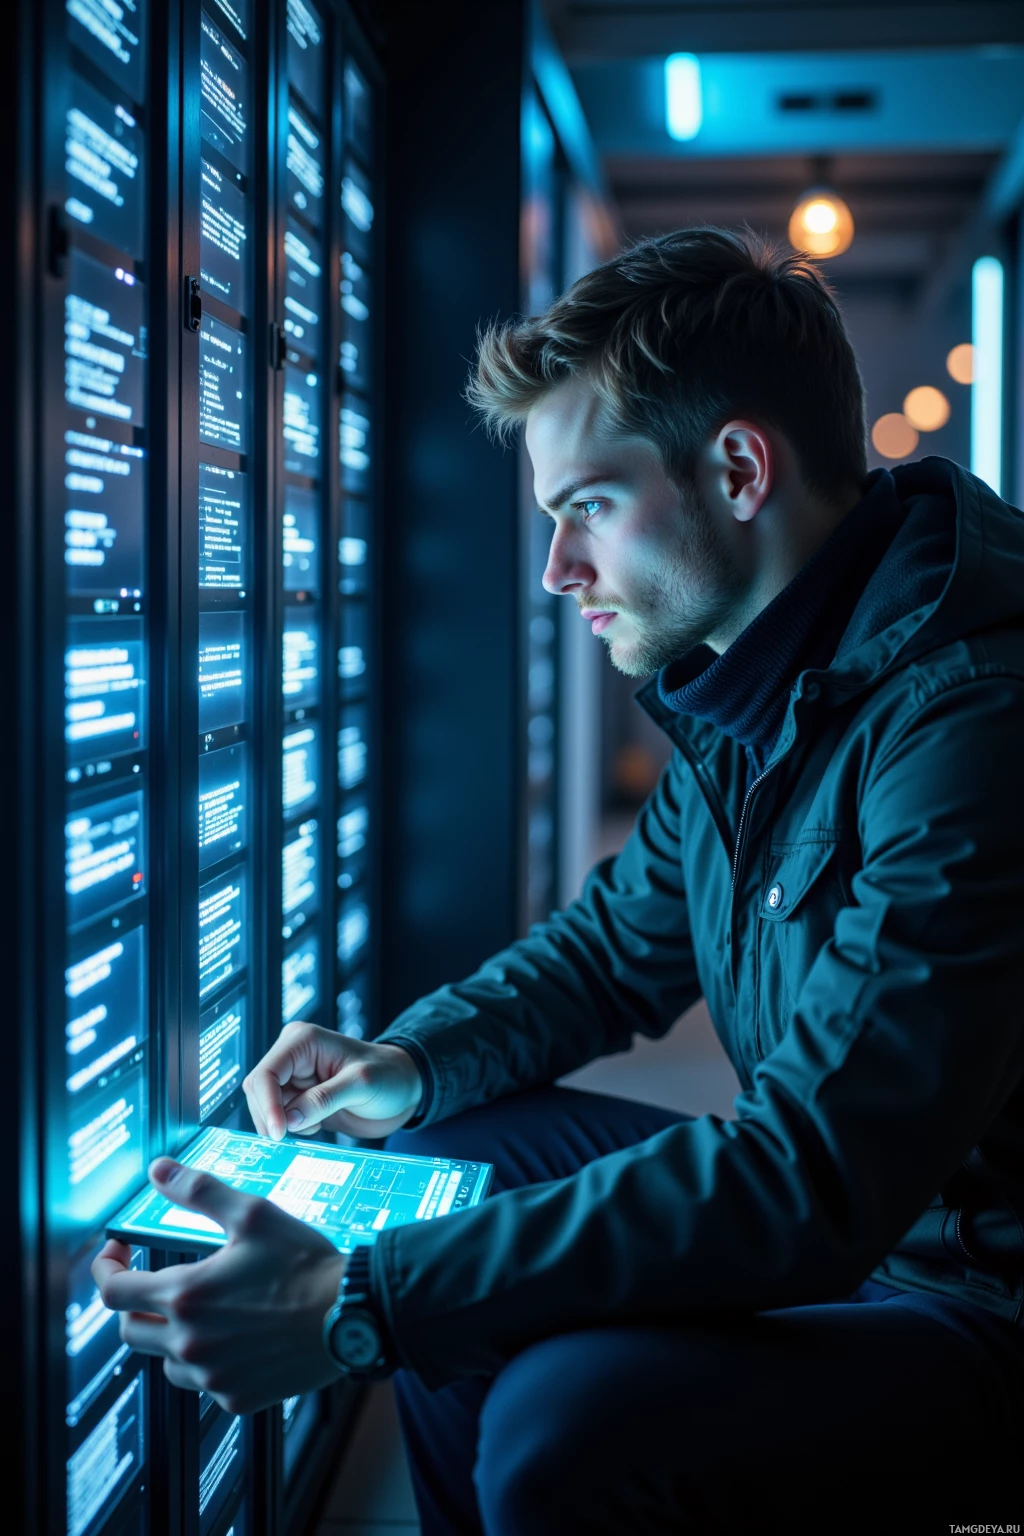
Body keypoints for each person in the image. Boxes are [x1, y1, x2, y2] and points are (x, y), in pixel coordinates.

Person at [95, 228, 1024, 1533]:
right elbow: (606, 957)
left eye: (586, 507)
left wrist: (364, 1308)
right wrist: (407, 1062)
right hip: (869, 1222)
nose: (557, 573)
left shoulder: (973, 711)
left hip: (969, 1296)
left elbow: (819, 1172)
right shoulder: (749, 685)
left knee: (557, 1424)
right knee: (430, 1162)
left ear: (741, 469)